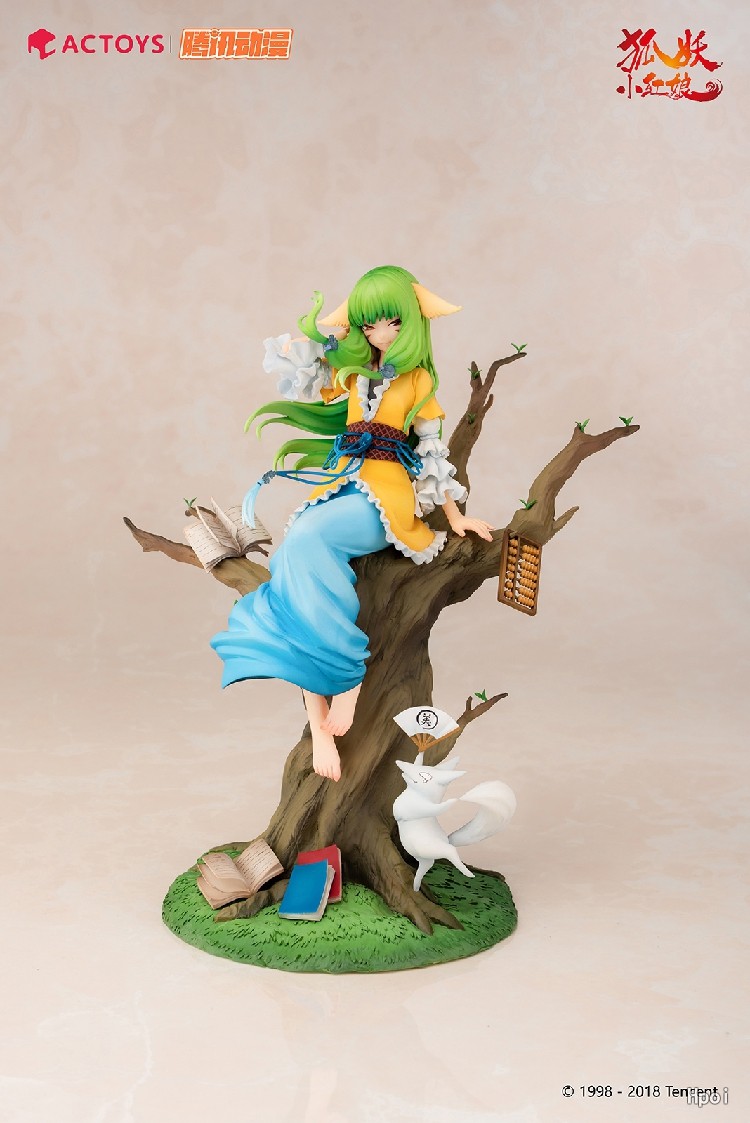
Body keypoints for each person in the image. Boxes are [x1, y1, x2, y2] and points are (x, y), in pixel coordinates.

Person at [211, 266, 493, 781]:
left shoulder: (418, 380)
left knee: (310, 538)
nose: (379, 332)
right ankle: (319, 724)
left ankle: (348, 677)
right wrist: (334, 333)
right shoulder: (353, 374)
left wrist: (456, 515)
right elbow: (305, 362)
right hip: (342, 484)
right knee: (292, 555)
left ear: (409, 322)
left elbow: (433, 455)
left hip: (384, 498)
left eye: (390, 321)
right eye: (368, 323)